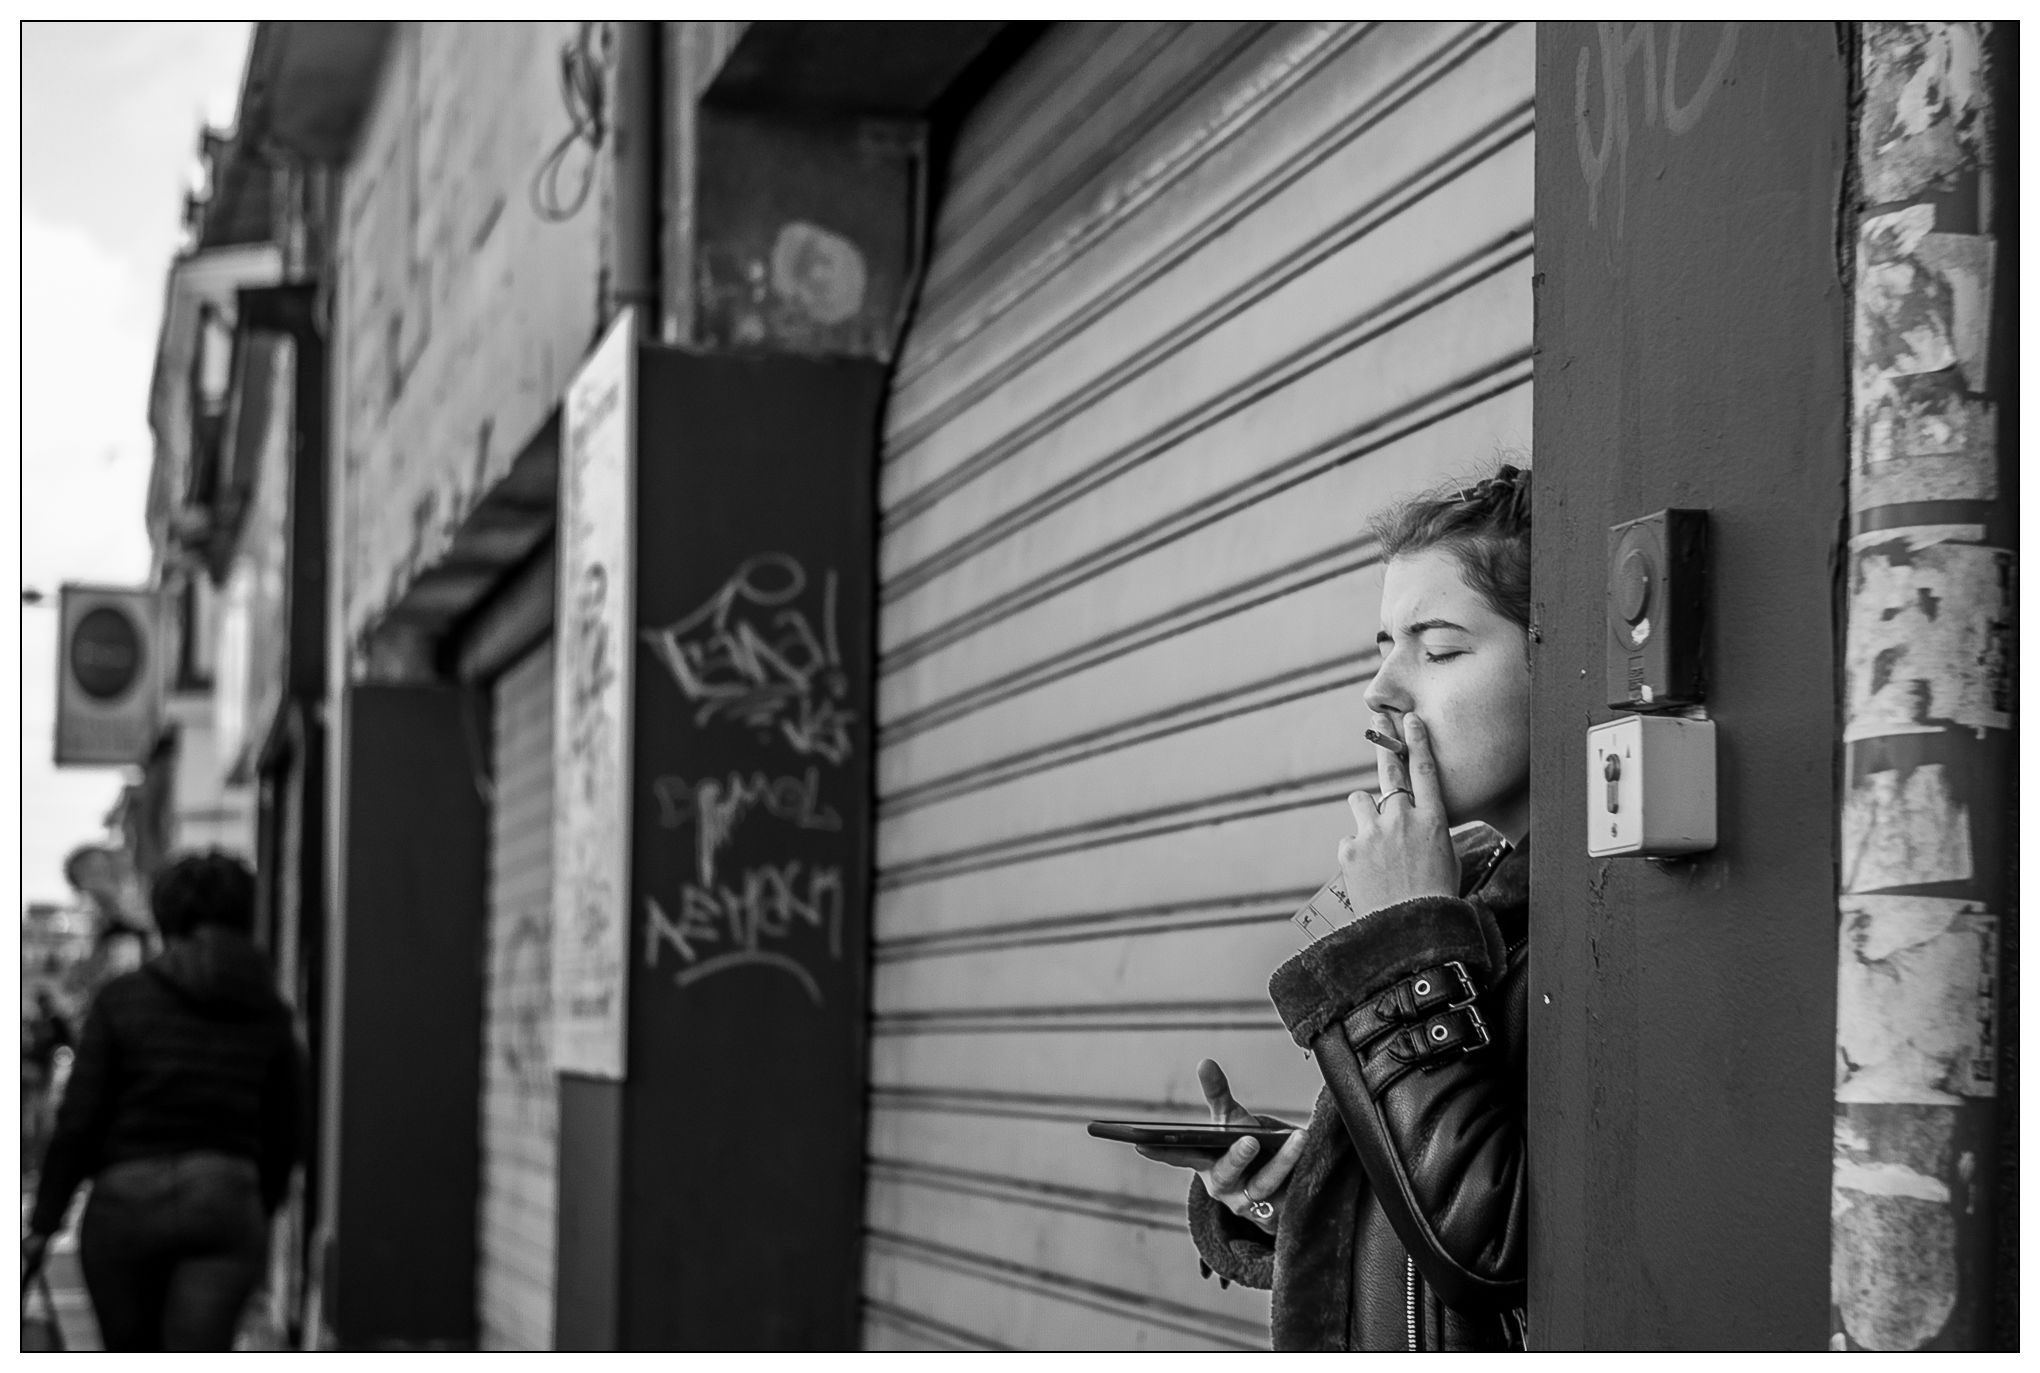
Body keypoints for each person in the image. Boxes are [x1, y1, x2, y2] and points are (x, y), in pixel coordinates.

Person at [1137, 464, 1533, 1351]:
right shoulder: (1476, 899)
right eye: (1384, 644)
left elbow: (1492, 1249)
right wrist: (1292, 1185)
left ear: (1560, 650)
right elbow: (1430, 1219)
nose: (1381, 688)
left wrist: (1403, 942)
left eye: (1438, 650)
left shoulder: (1600, 920)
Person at [21, 851, 303, 1352]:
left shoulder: (122, 999)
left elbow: (79, 1120)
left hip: (125, 1205)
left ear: (165, 918)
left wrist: (45, 1222)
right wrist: (257, 1200)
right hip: (223, 1199)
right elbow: (288, 1123)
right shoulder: (269, 1010)